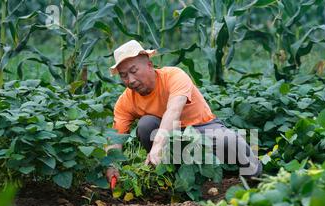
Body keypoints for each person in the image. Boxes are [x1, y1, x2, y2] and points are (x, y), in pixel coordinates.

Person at [105, 40, 262, 183]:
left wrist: (158, 145)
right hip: (173, 139)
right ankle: (170, 177)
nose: (130, 80)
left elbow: (174, 110)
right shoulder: (125, 100)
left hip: (202, 128)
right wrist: (111, 163)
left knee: (232, 142)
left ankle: (256, 178)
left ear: (149, 65)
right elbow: (116, 138)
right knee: (146, 125)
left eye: (134, 71)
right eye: (124, 75)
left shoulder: (174, 76)